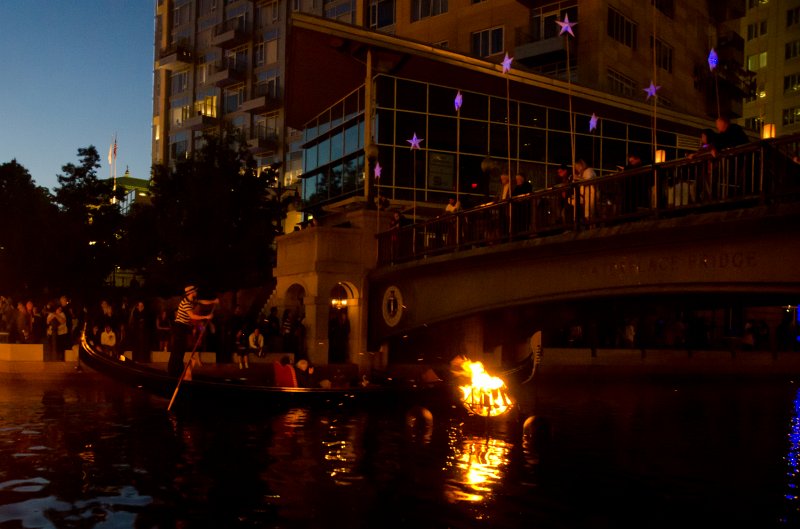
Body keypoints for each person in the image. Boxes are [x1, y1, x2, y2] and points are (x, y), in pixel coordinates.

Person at [169, 285, 217, 377]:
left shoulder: (191, 300)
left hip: (183, 327)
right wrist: (206, 317)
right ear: (191, 293)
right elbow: (192, 316)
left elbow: (202, 302)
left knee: (181, 349)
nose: (196, 292)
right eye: (195, 291)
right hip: (179, 327)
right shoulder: (186, 302)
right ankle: (173, 371)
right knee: (178, 350)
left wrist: (213, 301)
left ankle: (178, 370)